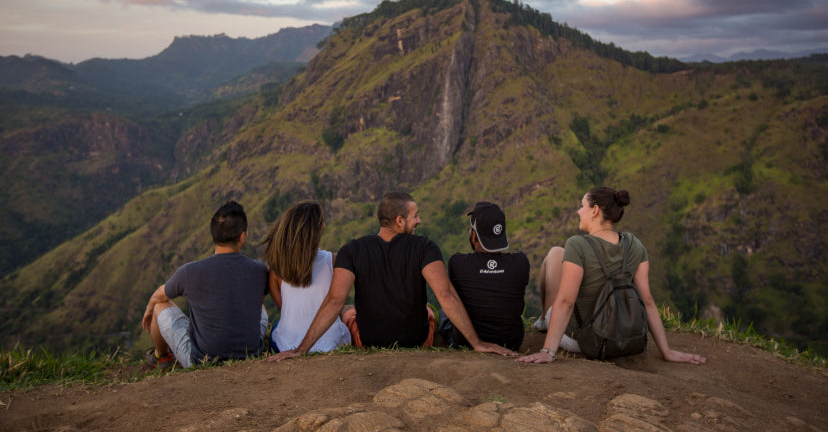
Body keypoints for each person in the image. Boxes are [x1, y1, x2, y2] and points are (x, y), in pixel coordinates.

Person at [268, 192, 517, 361]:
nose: (419, 221)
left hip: (367, 342)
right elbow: (445, 294)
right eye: (415, 215)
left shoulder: (351, 250)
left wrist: (301, 350)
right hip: (417, 341)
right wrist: (477, 343)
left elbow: (334, 300)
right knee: (430, 311)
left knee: (349, 312)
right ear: (400, 221)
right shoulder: (425, 248)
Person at [517, 187, 706, 364]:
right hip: (622, 337)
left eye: (582, 206)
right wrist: (667, 351)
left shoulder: (577, 245)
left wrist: (547, 351)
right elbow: (647, 300)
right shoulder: (634, 244)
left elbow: (567, 302)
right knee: (561, 256)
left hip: (583, 341)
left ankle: (544, 321)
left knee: (555, 253)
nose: (578, 212)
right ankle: (546, 322)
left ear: (595, 210)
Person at [142, 201, 269, 369]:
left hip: (202, 362)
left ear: (214, 235)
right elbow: (259, 301)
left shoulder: (189, 271)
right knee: (262, 309)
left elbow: (160, 294)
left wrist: (149, 310)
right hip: (250, 354)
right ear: (242, 236)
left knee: (160, 305)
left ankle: (161, 356)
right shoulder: (260, 270)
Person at [439, 202, 529, 351]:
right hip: (511, 342)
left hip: (464, 342)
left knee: (446, 306)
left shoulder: (458, 263)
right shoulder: (521, 262)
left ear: (474, 236)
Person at [262, 201, 350, 353]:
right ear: (319, 229)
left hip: (286, 345)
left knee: (278, 325)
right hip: (333, 345)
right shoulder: (335, 261)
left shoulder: (277, 268)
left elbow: (284, 309)